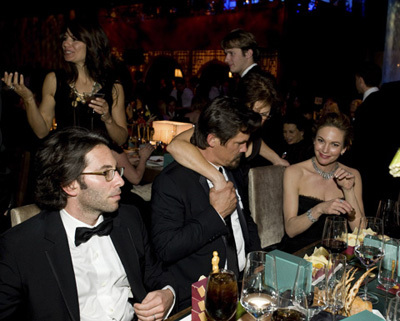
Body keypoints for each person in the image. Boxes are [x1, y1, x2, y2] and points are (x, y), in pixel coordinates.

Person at [0, 127, 174, 321]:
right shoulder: (20, 246)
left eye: (116, 170)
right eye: (106, 173)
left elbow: (156, 274)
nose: (120, 181)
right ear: (69, 184)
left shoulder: (129, 218)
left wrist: (168, 294)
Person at [151, 97, 262, 310]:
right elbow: (166, 248)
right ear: (212, 140)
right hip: (201, 298)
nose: (244, 149)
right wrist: (216, 214)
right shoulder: (172, 182)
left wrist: (255, 263)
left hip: (242, 288)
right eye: (239, 143)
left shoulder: (232, 168)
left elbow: (245, 221)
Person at [1, 20, 128, 146]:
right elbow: (41, 131)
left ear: (92, 43)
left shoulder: (113, 86)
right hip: (68, 161)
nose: (66, 44)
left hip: (100, 161)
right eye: (65, 38)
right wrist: (28, 99)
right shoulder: (54, 80)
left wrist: (108, 119)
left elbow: (121, 139)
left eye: (74, 39)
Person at [167, 72, 288, 195]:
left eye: (266, 114)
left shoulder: (252, 130)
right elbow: (175, 146)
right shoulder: (223, 124)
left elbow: (257, 143)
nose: (261, 120)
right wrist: (217, 177)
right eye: (258, 113)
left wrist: (276, 159)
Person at [280, 112, 365, 254]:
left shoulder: (352, 175)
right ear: (314, 140)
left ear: (344, 148)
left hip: (336, 254)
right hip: (299, 254)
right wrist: (319, 209)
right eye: (321, 140)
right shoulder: (294, 172)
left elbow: (360, 231)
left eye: (334, 144)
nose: (325, 149)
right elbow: (290, 230)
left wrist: (348, 191)